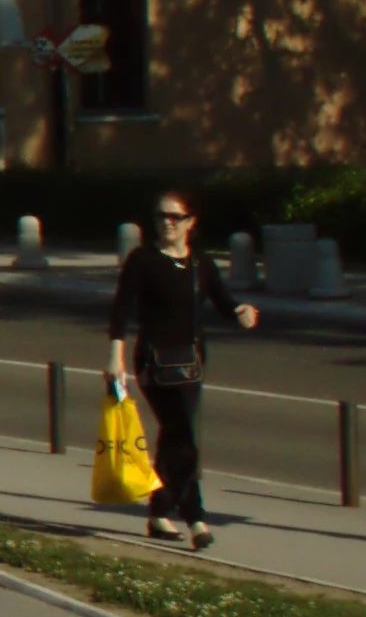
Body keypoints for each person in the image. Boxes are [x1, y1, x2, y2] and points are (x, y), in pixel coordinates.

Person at [111, 189, 259, 549]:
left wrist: (242, 313)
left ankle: (159, 511)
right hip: (153, 363)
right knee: (184, 437)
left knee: (175, 438)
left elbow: (225, 304)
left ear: (190, 222)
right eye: (161, 216)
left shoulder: (200, 264)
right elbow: (121, 311)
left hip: (191, 364)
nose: (166, 223)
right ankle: (196, 519)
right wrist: (114, 358)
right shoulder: (142, 260)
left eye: (174, 217)